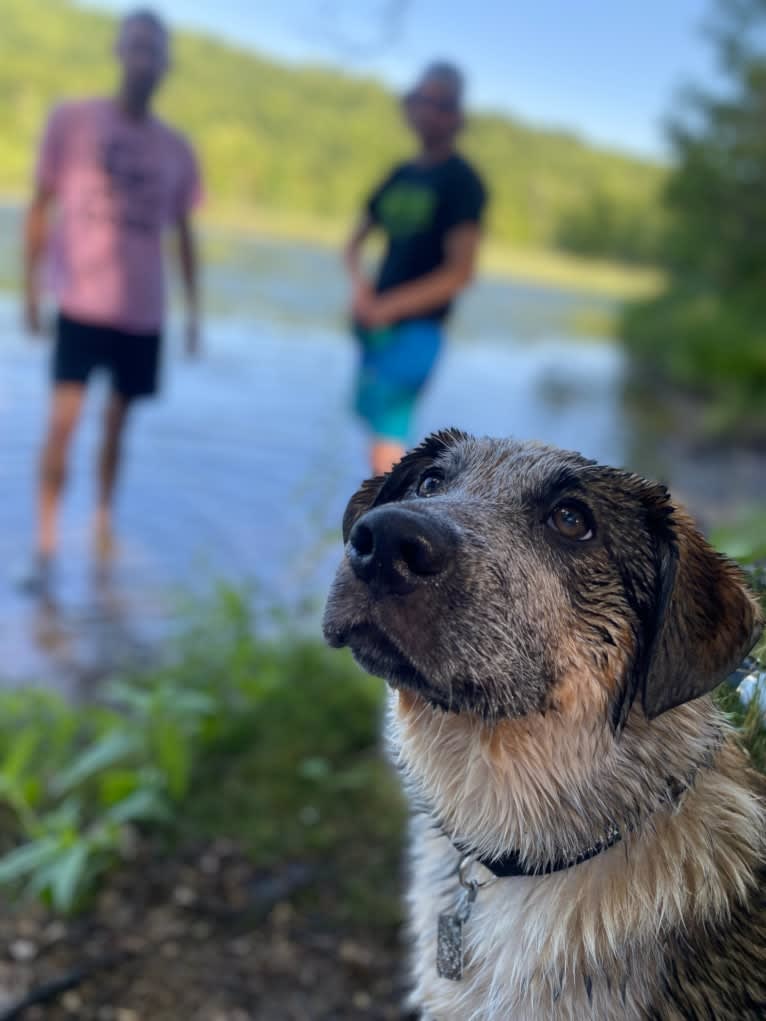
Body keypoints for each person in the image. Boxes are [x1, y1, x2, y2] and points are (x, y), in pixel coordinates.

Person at [22, 8, 201, 590]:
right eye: (137, 45)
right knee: (62, 426)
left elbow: (185, 235)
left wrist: (194, 315)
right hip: (78, 305)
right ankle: (46, 546)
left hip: (143, 313)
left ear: (166, 64)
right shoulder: (73, 121)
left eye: (156, 49)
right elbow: (40, 204)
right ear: (120, 50)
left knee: (119, 429)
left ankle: (101, 526)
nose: (145, 58)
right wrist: (29, 288)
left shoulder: (177, 148)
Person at [344, 62, 487, 476]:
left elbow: (461, 272)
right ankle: (379, 523)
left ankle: (385, 528)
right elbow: (353, 245)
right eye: (421, 99)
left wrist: (392, 305)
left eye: (441, 103)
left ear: (457, 116)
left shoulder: (462, 182)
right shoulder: (400, 174)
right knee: (375, 431)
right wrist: (362, 291)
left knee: (389, 438)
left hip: (419, 330)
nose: (429, 111)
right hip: (374, 324)